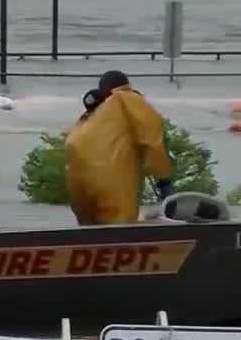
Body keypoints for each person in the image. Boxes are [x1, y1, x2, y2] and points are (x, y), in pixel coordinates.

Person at [64, 70, 176, 226]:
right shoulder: (127, 98)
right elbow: (151, 139)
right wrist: (164, 180)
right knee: (120, 227)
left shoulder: (85, 120)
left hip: (80, 186)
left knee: (92, 231)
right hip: (115, 181)